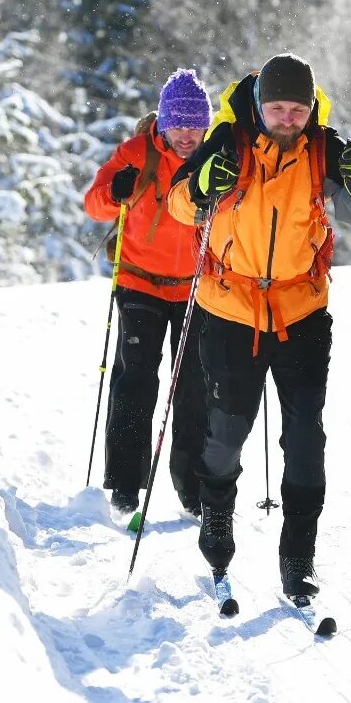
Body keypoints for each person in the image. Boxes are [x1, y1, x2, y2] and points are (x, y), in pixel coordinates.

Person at [167, 53, 351, 596]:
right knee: (226, 433)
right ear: (260, 107)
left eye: (297, 109)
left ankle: (299, 559)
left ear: (311, 109)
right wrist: (202, 187)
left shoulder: (325, 150)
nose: (287, 119)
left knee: (306, 439)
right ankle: (217, 522)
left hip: (302, 312)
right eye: (276, 109)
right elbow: (178, 203)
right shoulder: (228, 142)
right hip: (230, 311)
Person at [83, 69, 213, 520]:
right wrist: (115, 191)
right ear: (163, 121)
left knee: (194, 389)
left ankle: (193, 487)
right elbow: (94, 202)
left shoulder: (213, 158)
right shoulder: (137, 153)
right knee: (135, 382)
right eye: (179, 124)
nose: (187, 134)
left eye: (196, 125)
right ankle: (124, 483)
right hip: (139, 282)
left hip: (197, 286)